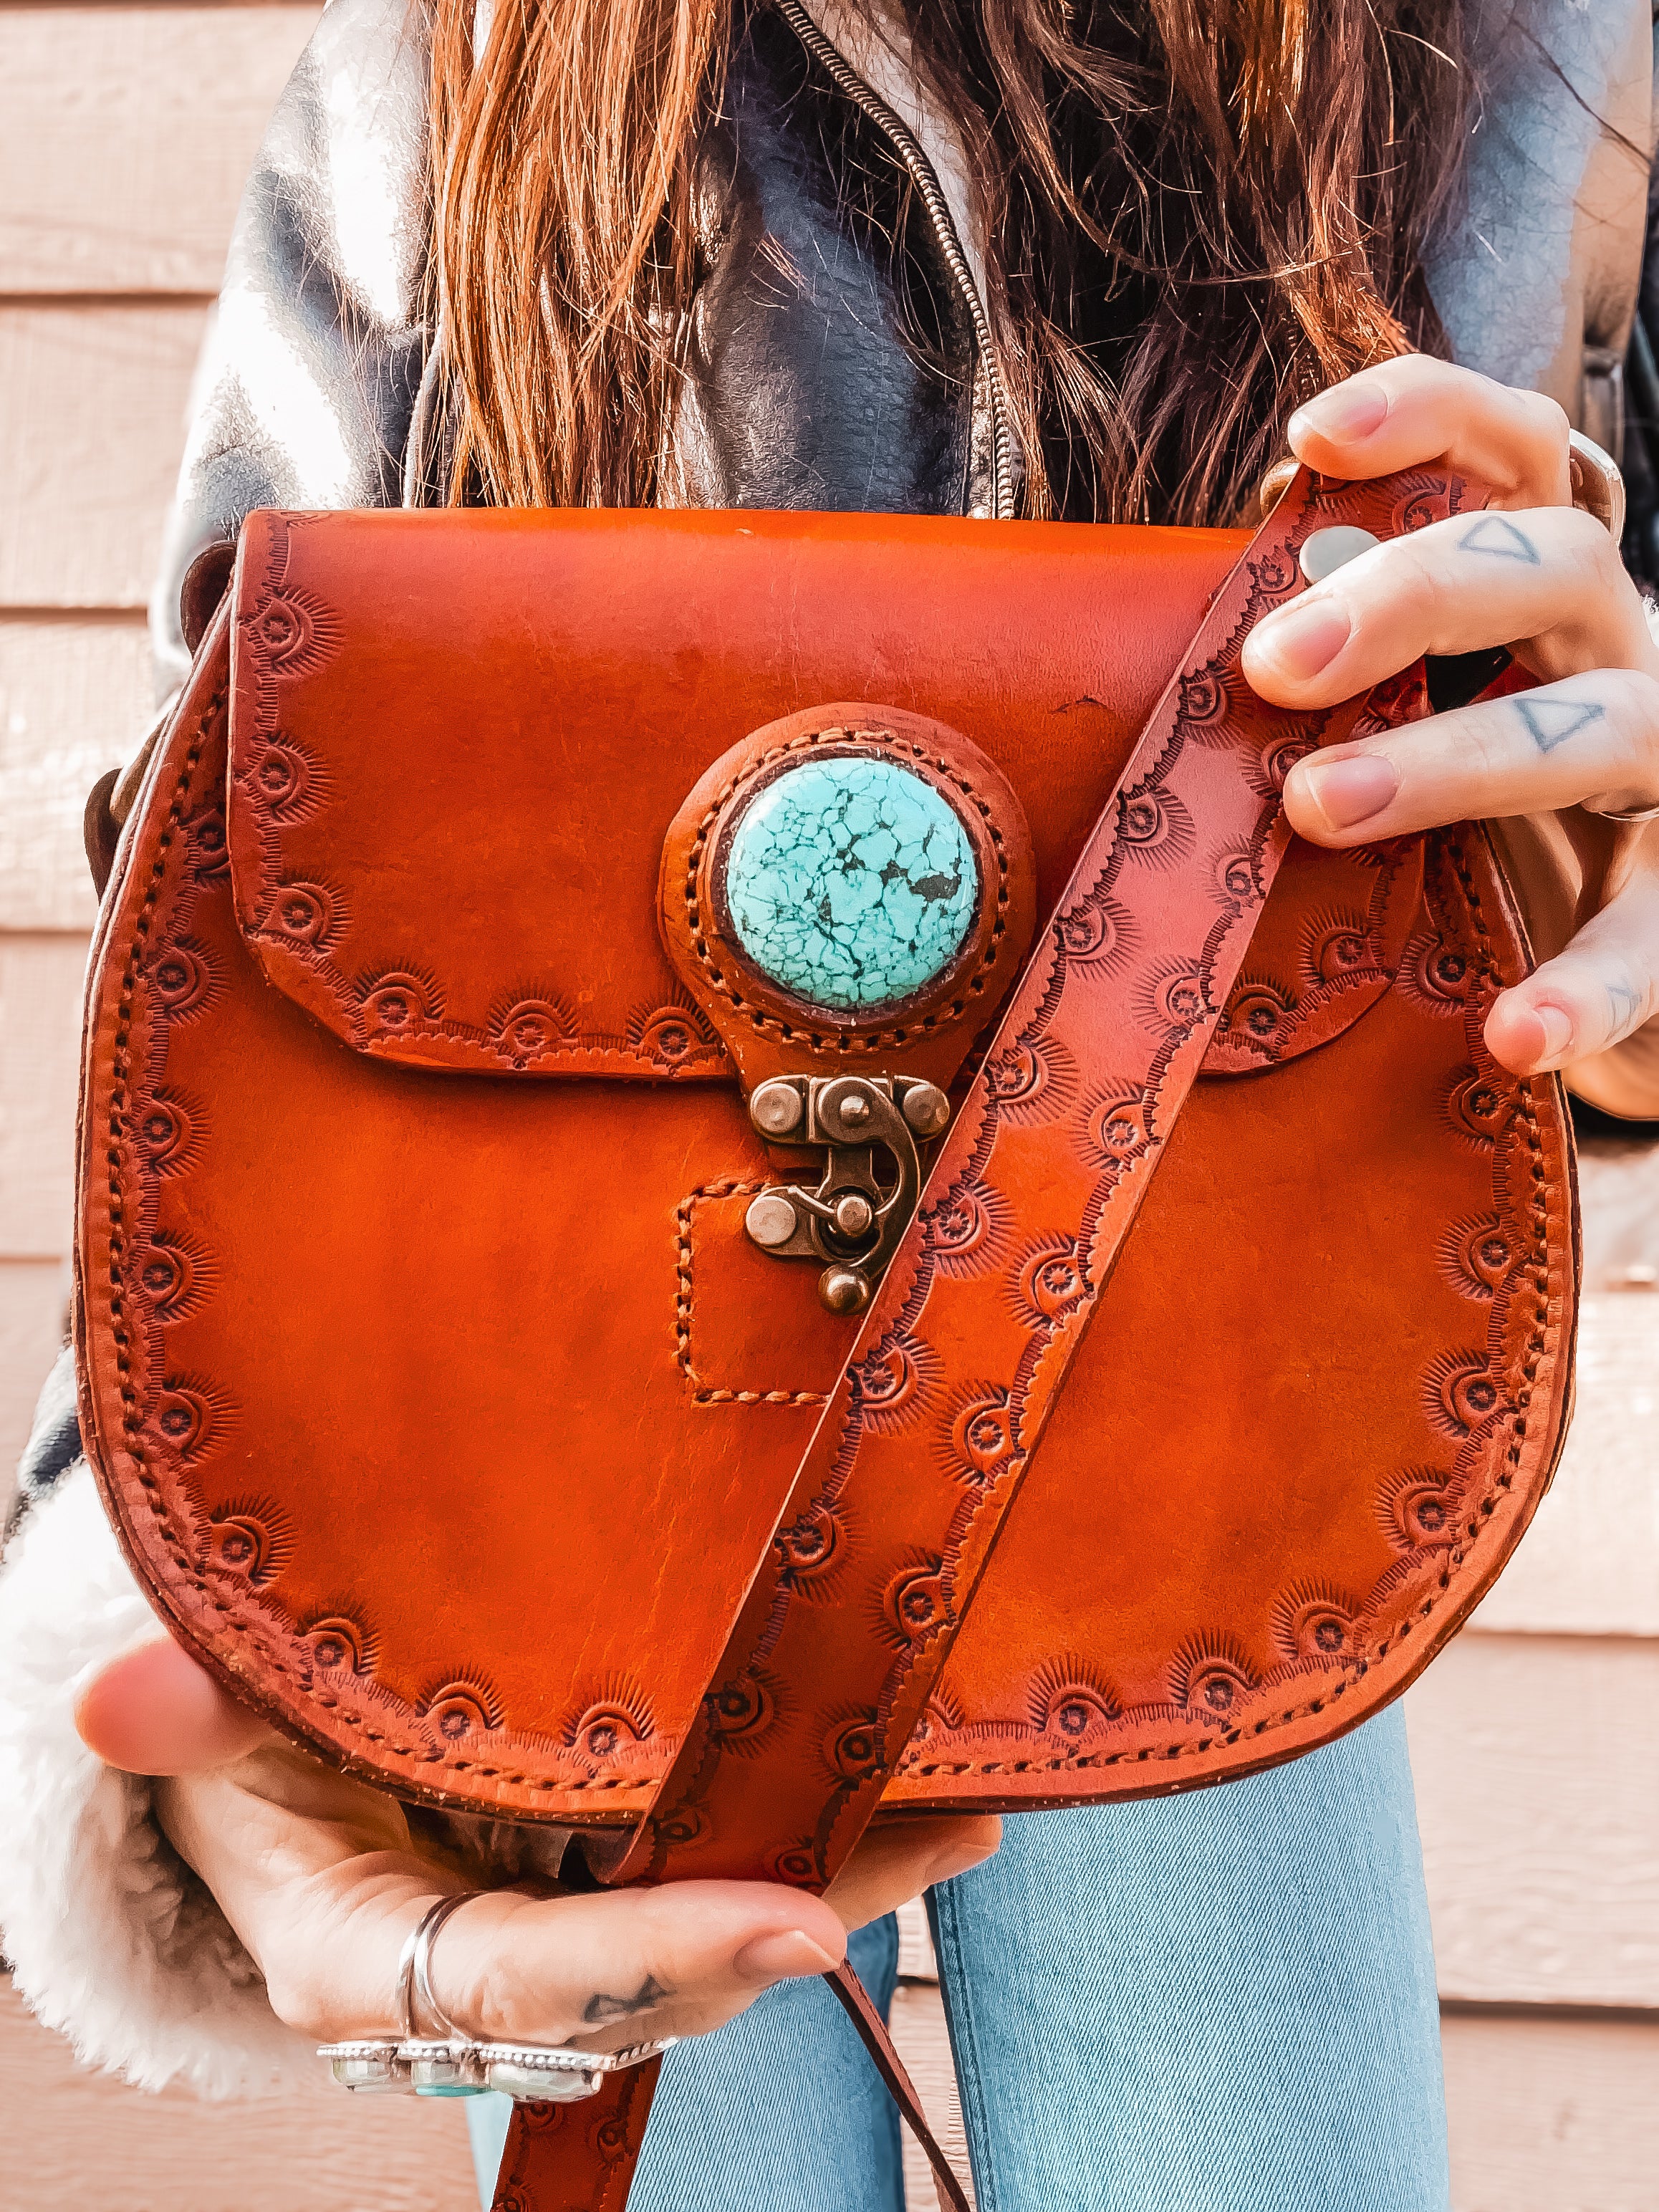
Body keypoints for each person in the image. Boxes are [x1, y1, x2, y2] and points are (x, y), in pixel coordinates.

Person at [3, 2, 1657, 2206]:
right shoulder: (461, 54)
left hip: (1229, 1385)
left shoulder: (1569, 61)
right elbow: (225, 942)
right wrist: (173, 1595)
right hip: (564, 1448)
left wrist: (1606, 963)